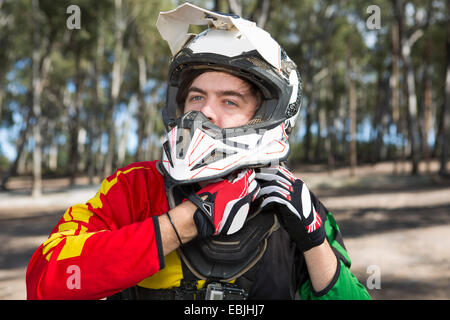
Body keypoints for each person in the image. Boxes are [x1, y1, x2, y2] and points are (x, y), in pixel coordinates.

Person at [26, 3, 370, 300]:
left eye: (229, 100)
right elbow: (45, 280)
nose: (203, 112)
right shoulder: (136, 188)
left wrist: (313, 242)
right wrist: (185, 223)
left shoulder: (295, 204)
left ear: (268, 115)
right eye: (196, 96)